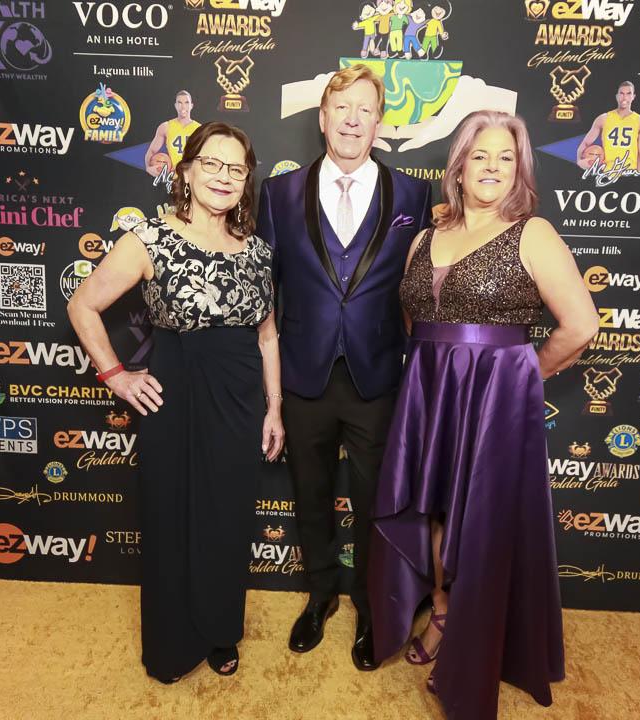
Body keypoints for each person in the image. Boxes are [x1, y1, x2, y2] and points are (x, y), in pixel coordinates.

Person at [369, 110, 600, 718]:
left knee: (482, 517)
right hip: (428, 390)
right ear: (460, 165)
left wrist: (521, 375)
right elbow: (415, 319)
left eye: (506, 157)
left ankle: (473, 638)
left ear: (519, 168)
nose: (493, 167)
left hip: (496, 400)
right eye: (481, 155)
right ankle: (444, 610)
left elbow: (581, 325)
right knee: (432, 508)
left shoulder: (532, 233)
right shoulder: (425, 237)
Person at [68, 122, 283, 682]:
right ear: (186, 170)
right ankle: (172, 642)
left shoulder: (257, 251)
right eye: (212, 163)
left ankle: (220, 629)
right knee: (171, 515)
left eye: (236, 169)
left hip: (239, 399)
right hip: (175, 393)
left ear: (247, 180)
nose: (224, 177)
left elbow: (267, 337)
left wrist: (274, 408)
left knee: (227, 517)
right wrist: (116, 375)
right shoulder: (150, 238)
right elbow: (82, 305)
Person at [256, 64, 432, 671]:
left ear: (379, 123)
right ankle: (321, 594)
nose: (353, 120)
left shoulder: (414, 195)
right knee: (310, 495)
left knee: (374, 502)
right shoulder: (279, 194)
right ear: (323, 118)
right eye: (342, 108)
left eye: (365, 109)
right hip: (304, 373)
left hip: (377, 376)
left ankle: (369, 604)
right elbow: (264, 297)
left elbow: (421, 289)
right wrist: (272, 396)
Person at [576, 81, 640, 171]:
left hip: (629, 171)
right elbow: (585, 143)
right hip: (607, 172)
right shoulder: (603, 119)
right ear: (617, 96)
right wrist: (579, 160)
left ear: (633, 97)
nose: (624, 97)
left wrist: (638, 176)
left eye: (628, 93)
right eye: (621, 93)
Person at [144, 90, 201, 177]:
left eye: (186, 102)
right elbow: (152, 150)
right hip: (174, 178)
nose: (183, 106)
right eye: (179, 103)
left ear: (191, 105)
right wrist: (148, 167)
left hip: (193, 177)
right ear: (175, 105)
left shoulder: (200, 129)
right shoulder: (165, 127)